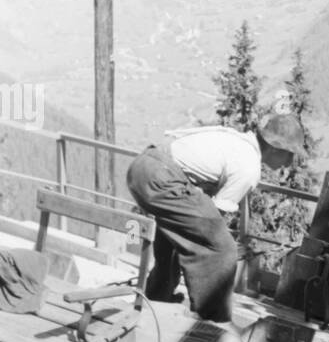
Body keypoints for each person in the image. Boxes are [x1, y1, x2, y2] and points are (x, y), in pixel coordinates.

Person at [126, 108, 302, 324]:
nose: (289, 163)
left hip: (144, 166)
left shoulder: (239, 141)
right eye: (289, 154)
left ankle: (156, 301)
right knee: (222, 250)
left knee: (177, 239)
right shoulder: (249, 168)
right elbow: (214, 219)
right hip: (161, 176)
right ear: (275, 148)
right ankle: (212, 323)